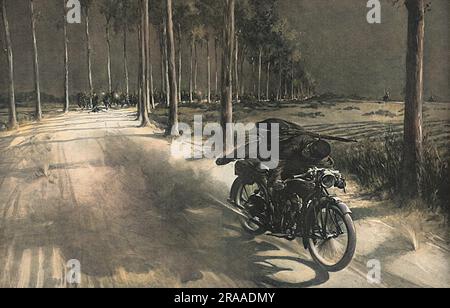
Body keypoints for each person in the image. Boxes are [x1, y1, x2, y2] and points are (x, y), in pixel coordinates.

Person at [216, 118, 334, 192]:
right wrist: (276, 181)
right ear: (310, 143)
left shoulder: (322, 157)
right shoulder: (294, 144)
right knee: (255, 161)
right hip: (274, 158)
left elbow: (329, 169)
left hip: (292, 168)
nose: (306, 152)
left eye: (310, 154)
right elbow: (278, 163)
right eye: (308, 149)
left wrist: (337, 179)